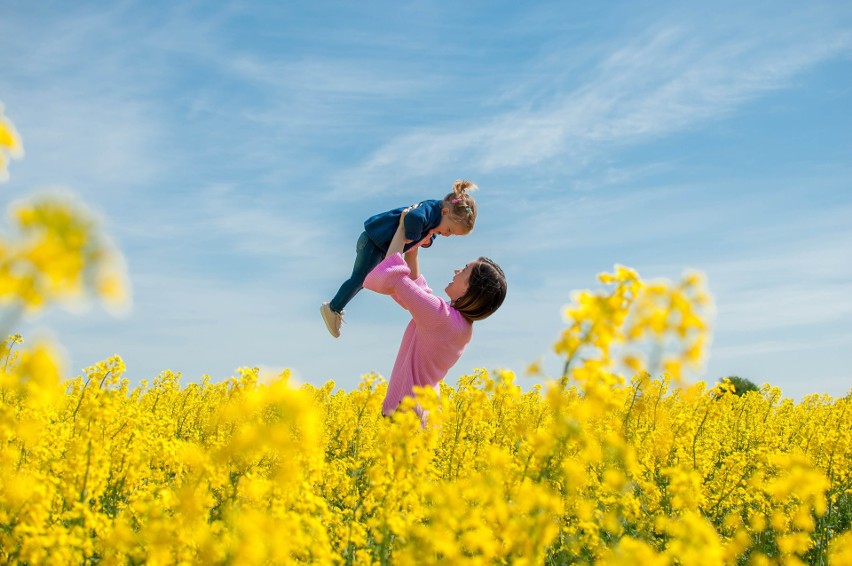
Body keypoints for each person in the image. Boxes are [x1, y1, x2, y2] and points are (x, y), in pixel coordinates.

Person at [363, 208, 507, 423]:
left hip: (406, 413)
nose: (457, 270)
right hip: (425, 413)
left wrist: (403, 229)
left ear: (469, 289)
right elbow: (418, 291)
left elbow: (394, 275)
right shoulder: (459, 325)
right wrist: (414, 246)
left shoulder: (441, 317)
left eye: (464, 270)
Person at [320, 179, 479, 338]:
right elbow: (413, 218)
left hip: (377, 244)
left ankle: (335, 308)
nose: (446, 234)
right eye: (449, 230)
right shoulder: (430, 210)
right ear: (445, 212)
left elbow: (426, 230)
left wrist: (427, 240)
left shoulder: (434, 216)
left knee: (363, 280)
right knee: (359, 279)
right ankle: (333, 308)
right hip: (373, 242)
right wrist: (414, 236)